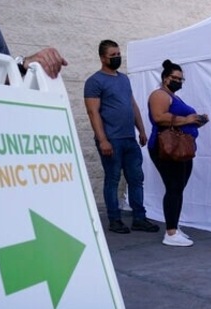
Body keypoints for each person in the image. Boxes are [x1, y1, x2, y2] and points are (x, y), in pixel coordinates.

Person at [84, 39, 159, 234]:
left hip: (129, 139)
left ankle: (139, 218)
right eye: (113, 56)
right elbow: (93, 112)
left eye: (118, 55)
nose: (117, 58)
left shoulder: (124, 79)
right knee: (113, 179)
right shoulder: (94, 82)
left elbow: (132, 105)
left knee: (136, 179)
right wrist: (102, 140)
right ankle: (115, 220)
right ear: (102, 58)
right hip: (111, 140)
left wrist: (141, 130)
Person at [147, 59, 208, 247]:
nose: (179, 82)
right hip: (166, 148)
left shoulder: (174, 96)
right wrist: (187, 119)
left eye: (181, 79)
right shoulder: (160, 95)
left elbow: (182, 118)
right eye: (175, 78)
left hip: (182, 148)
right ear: (165, 78)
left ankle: (174, 226)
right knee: (174, 187)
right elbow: (159, 117)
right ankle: (171, 233)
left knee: (178, 188)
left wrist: (197, 120)